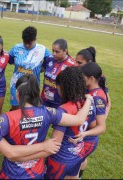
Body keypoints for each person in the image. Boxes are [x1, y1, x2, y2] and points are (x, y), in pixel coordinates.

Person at [45, 66, 98, 179]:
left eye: (58, 88)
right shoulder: (89, 103)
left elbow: (55, 143)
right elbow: (93, 126)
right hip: (77, 155)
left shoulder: (64, 110)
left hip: (60, 158)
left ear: (64, 87)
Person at [76, 47, 111, 178]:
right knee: (76, 164)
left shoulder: (96, 97)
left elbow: (100, 126)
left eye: (82, 78)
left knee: (75, 165)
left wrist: (85, 132)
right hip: (82, 135)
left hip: (87, 138)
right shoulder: (90, 90)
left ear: (91, 78)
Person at [8, 26, 52, 111]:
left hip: (32, 86)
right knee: (15, 109)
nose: (27, 45)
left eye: (30, 43)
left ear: (35, 39)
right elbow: (8, 59)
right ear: (22, 39)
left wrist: (41, 68)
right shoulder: (16, 48)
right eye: (25, 42)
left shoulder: (42, 49)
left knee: (30, 110)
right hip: (16, 84)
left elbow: (51, 62)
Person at [41, 38, 77, 108]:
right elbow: (41, 69)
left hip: (59, 103)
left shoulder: (72, 65)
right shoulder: (49, 59)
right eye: (53, 51)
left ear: (65, 51)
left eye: (57, 52)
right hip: (44, 99)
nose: (54, 54)